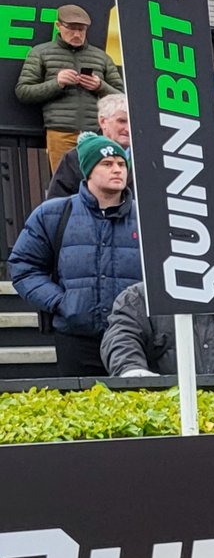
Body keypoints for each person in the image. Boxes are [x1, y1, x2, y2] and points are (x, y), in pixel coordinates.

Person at [6, 134, 141, 378]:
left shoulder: (147, 219)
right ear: (88, 170)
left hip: (135, 337)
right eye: (107, 164)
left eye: (121, 164)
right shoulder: (54, 214)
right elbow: (23, 266)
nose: (117, 170)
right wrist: (61, 302)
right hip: (76, 336)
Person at [14, 3, 121, 166]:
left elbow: (122, 97)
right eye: (71, 28)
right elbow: (23, 91)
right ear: (58, 26)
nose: (77, 34)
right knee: (64, 183)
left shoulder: (101, 57)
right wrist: (57, 83)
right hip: (60, 132)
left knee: (96, 185)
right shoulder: (40, 52)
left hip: (97, 133)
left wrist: (100, 86)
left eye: (82, 29)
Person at [43, 92, 129, 201]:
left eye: (132, 121)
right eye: (122, 121)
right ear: (103, 121)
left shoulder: (149, 156)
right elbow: (58, 206)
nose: (128, 128)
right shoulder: (76, 157)